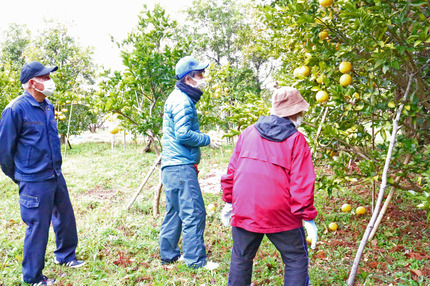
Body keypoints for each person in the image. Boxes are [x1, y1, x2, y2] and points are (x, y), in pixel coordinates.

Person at [220, 86, 318, 286]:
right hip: (280, 211)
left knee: (241, 257)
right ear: (296, 113)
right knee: (295, 258)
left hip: (246, 206)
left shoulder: (248, 132)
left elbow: (232, 171)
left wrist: (230, 201)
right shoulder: (296, 140)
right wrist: (308, 218)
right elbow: (302, 183)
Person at [0, 61, 85, 285]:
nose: (49, 82)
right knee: (37, 227)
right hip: (33, 179)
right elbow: (4, 153)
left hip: (54, 173)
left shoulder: (47, 106)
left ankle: (66, 256)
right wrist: (21, 176)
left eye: (49, 77)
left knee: (65, 217)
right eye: (45, 78)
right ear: (31, 83)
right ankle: (33, 276)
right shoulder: (15, 109)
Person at [159, 55, 220, 269]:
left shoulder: (179, 97)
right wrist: (208, 139)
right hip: (180, 166)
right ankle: (195, 261)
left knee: (175, 211)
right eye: (200, 74)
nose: (204, 78)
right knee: (194, 212)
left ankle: (169, 255)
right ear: (188, 79)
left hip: (171, 166)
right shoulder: (182, 101)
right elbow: (183, 134)